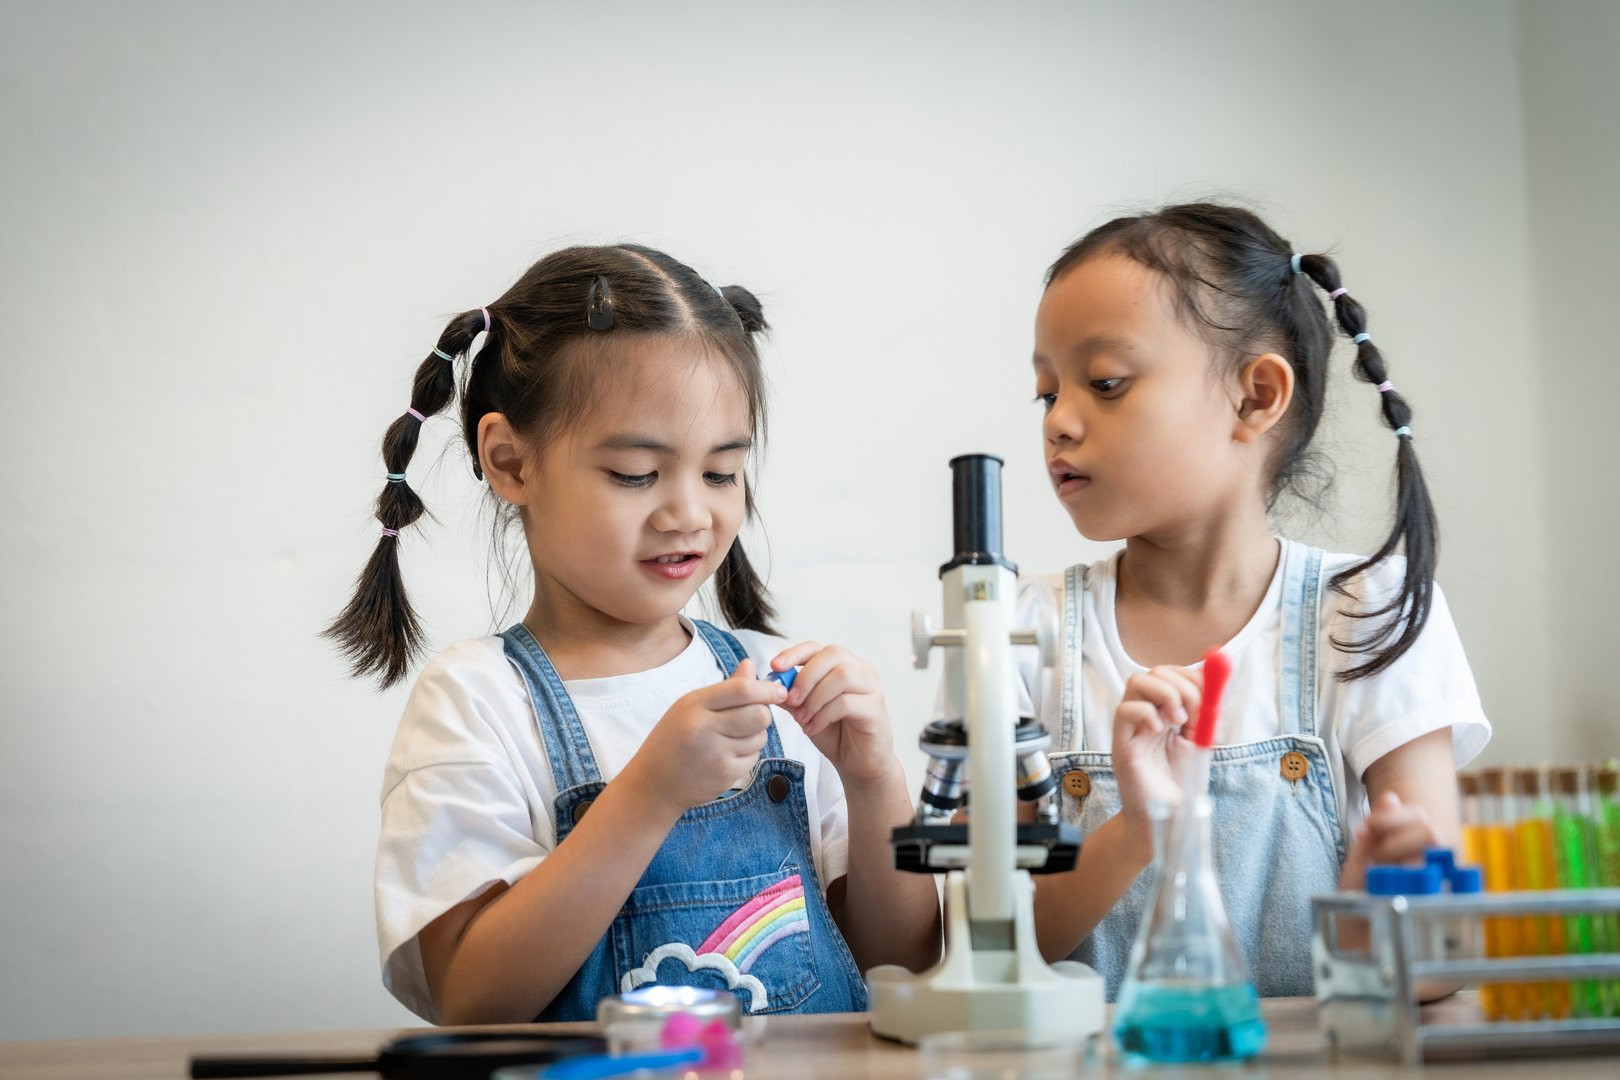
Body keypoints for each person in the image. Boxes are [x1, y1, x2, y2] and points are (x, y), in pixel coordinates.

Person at [326, 244, 938, 1024]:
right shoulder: (477, 700)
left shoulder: (764, 676)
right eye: (636, 475)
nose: (689, 512)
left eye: (720, 473)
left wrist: (875, 778)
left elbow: (902, 966)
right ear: (510, 461)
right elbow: (471, 998)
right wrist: (648, 795)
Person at [1020, 203, 1491, 999]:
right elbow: (1002, 945)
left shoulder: (1368, 613)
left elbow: (1439, 966)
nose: (1060, 421)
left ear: (1255, 396)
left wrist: (1378, 903)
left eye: (1105, 383)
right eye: (1046, 394)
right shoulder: (1022, 629)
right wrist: (1138, 832)